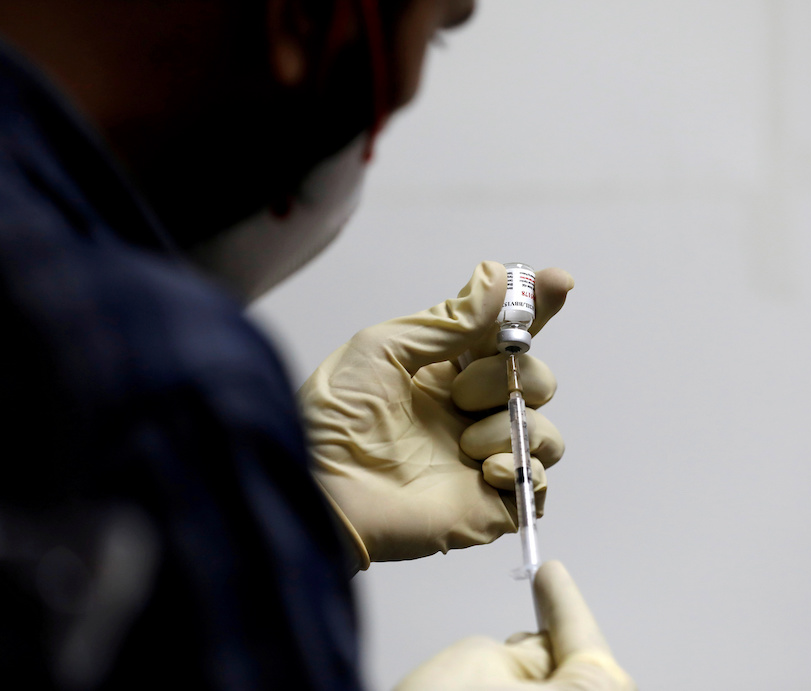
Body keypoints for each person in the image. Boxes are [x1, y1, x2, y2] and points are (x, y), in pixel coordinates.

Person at [0, 1, 634, 689]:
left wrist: (288, 515)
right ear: (299, 20)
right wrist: (218, 478)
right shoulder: (161, 386)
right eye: (439, 33)